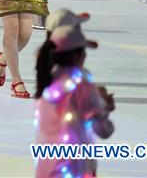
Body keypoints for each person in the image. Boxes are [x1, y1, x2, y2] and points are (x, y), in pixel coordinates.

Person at [34, 25, 115, 178]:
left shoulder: (45, 85)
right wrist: (104, 107)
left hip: (46, 170)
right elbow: (104, 130)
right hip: (74, 168)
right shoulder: (82, 88)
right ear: (79, 56)